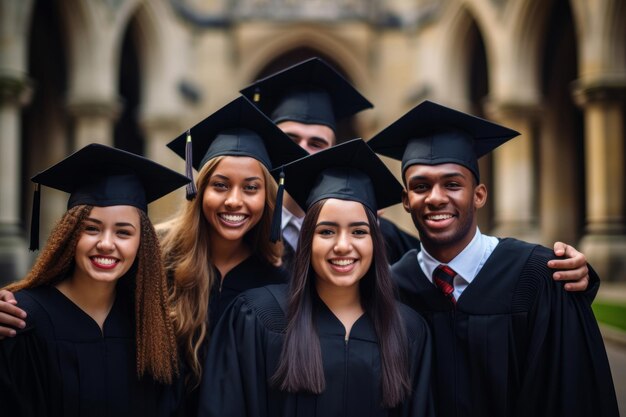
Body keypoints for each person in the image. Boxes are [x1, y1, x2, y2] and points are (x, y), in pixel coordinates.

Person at [367, 100, 619, 417]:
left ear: (479, 195)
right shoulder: (390, 289)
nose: (435, 198)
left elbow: (574, 393)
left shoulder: (538, 276)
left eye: (452, 184)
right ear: (406, 200)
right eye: (421, 186)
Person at [198, 139, 434, 417]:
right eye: (326, 231)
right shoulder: (257, 317)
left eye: (359, 232)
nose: (343, 245)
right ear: (307, 239)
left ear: (376, 241)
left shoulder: (407, 331)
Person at [0, 144, 189, 416]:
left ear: (142, 244)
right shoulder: (22, 320)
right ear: (69, 234)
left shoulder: (150, 329)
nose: (106, 244)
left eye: (123, 233)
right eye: (91, 228)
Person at [159, 95, 308, 413]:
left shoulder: (279, 278)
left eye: (251, 188)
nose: (234, 201)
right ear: (199, 191)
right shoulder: (160, 259)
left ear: (267, 197)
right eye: (221, 185)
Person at [240, 57, 422, 265]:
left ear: (332, 151)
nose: (302, 150)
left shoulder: (377, 233)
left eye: (316, 143)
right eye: (290, 139)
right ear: (271, 145)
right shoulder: (244, 229)